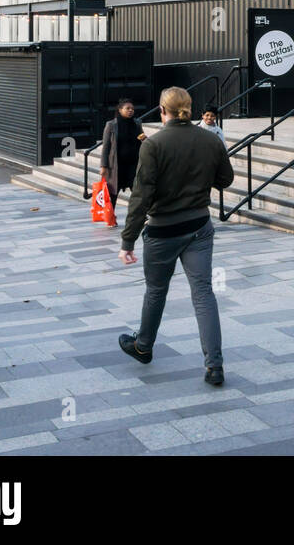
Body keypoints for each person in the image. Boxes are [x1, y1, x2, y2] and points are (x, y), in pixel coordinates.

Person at [117, 87, 234, 386]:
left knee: (156, 291)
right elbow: (226, 180)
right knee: (203, 293)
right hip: (198, 226)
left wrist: (127, 241)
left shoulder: (153, 145)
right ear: (190, 109)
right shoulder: (210, 138)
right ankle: (214, 365)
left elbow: (140, 197)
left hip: (162, 230)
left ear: (162, 111)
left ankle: (143, 346)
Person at [99, 98, 145, 212]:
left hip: (133, 164)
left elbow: (142, 139)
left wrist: (145, 139)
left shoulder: (137, 123)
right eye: (127, 108)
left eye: (132, 109)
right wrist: (103, 166)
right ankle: (110, 217)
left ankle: (142, 214)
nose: (131, 111)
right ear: (120, 110)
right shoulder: (111, 125)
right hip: (117, 165)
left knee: (138, 191)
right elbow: (106, 147)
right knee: (113, 193)